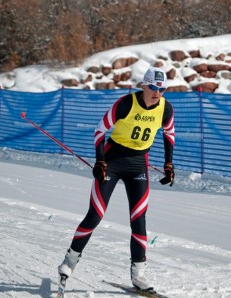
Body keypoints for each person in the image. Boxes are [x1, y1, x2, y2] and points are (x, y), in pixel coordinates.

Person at [58, 67, 175, 292]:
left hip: (138, 165)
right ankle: (69, 262)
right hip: (113, 161)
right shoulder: (126, 103)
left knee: (139, 220)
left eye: (162, 89)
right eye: (153, 87)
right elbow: (100, 131)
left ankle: (139, 275)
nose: (157, 93)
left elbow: (169, 134)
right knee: (96, 215)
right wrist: (100, 160)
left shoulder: (165, 109)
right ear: (144, 85)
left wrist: (168, 164)